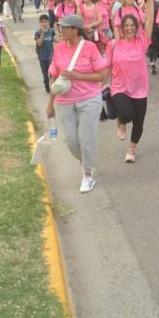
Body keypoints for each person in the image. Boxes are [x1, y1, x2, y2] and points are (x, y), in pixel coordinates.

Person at [46, 15, 110, 193]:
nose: (62, 30)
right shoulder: (58, 49)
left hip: (89, 99)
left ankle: (87, 175)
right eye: (61, 27)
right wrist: (50, 104)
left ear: (75, 30)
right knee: (70, 141)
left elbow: (102, 76)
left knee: (86, 139)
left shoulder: (89, 48)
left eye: (65, 27)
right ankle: (85, 161)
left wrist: (77, 76)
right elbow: (54, 77)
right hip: (64, 101)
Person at [108, 0, 155, 163]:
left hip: (140, 88)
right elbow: (106, 66)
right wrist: (99, 85)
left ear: (136, 27)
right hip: (120, 87)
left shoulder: (142, 41)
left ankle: (131, 149)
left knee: (139, 122)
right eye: (125, 25)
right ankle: (121, 121)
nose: (129, 28)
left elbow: (149, 20)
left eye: (132, 25)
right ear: (121, 27)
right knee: (127, 114)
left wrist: (150, 0)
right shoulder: (115, 43)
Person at [34, 14, 55, 93]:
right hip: (42, 56)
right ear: (39, 23)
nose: (43, 24)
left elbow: (53, 39)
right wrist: (42, 34)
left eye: (45, 22)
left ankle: (53, 87)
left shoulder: (51, 30)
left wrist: (62, 40)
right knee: (45, 74)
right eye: (42, 22)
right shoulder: (37, 32)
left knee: (52, 72)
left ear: (48, 22)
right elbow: (39, 43)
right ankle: (46, 84)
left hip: (51, 55)